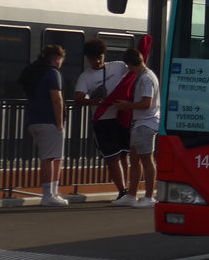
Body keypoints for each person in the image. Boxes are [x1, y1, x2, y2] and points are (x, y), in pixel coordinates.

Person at [74, 39, 134, 206]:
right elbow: (78, 98)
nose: (98, 61)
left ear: (104, 55)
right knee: (112, 157)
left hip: (121, 116)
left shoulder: (119, 66)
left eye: (100, 57)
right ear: (88, 58)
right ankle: (122, 190)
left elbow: (134, 72)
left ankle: (127, 190)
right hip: (103, 121)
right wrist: (93, 102)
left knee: (123, 154)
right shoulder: (85, 76)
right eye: (94, 58)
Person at [113, 47, 159, 208]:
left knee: (147, 159)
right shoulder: (145, 76)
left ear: (130, 64)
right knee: (135, 159)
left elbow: (146, 103)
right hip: (140, 123)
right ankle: (131, 194)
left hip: (146, 123)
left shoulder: (146, 78)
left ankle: (149, 197)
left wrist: (127, 105)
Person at [23, 44, 69, 206]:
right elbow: (56, 99)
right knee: (51, 158)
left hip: (32, 120)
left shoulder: (35, 71)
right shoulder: (52, 73)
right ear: (57, 58)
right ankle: (49, 194)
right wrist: (59, 123)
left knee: (52, 156)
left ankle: (53, 193)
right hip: (49, 121)